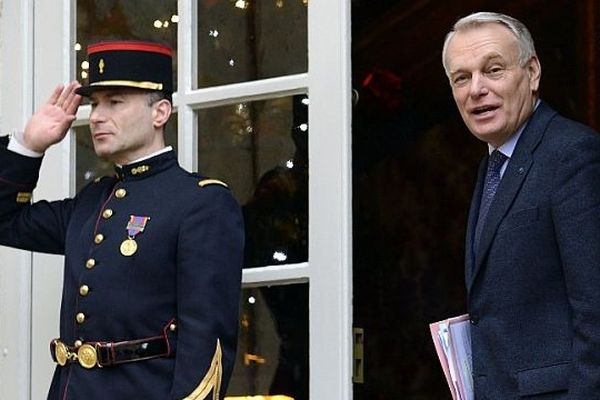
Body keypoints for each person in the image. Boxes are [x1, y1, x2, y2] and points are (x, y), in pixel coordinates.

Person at [0, 41, 244, 399]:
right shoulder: (93, 202)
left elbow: (205, 343)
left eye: (115, 102)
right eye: (95, 103)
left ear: (160, 112)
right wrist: (29, 146)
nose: (96, 116)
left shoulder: (201, 203)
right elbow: (6, 221)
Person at [443, 12, 600, 398]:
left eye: (493, 70)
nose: (476, 89)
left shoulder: (571, 154)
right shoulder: (493, 164)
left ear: (532, 73)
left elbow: (595, 308)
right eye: (461, 78)